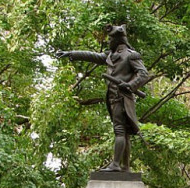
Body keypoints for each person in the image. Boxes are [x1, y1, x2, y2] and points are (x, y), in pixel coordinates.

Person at [56, 24, 149, 172]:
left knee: (120, 130)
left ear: (117, 40)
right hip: (113, 98)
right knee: (123, 132)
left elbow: (143, 74)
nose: (108, 41)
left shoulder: (131, 55)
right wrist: (70, 53)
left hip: (122, 98)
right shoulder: (110, 56)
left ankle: (117, 165)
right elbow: (92, 56)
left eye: (110, 38)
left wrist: (130, 85)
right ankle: (125, 167)